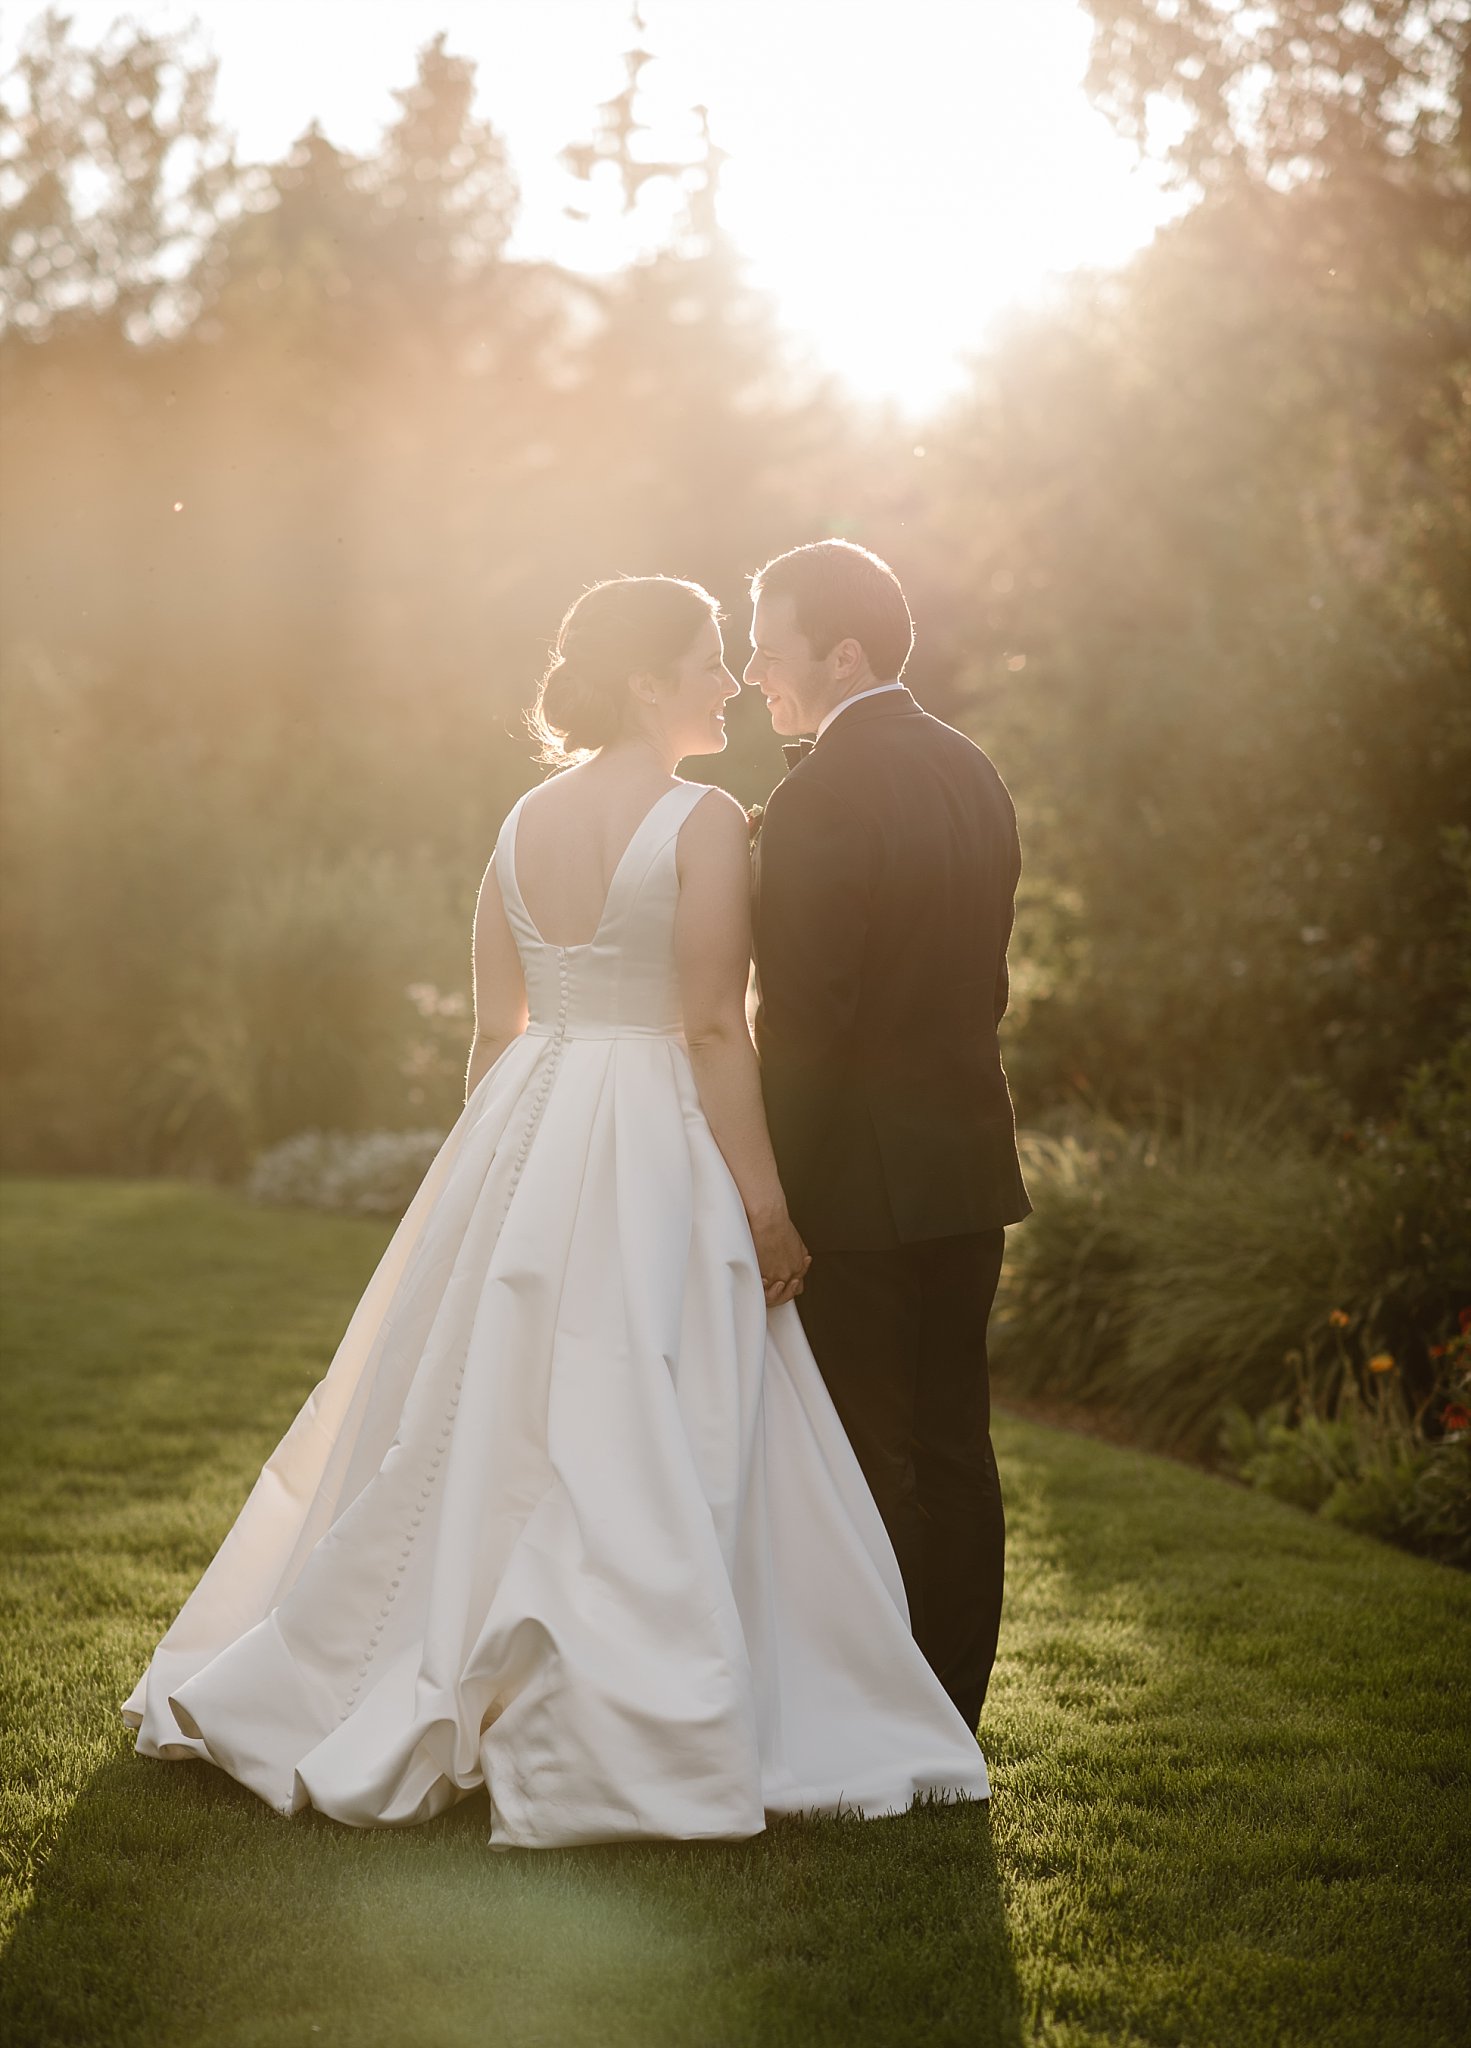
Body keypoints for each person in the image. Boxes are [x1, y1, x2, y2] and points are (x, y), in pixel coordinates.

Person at [122, 574, 986, 1848]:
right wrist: (764, 1205)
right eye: (707, 658)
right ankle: (630, 1691)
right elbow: (711, 1027)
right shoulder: (702, 820)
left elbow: (494, 1030)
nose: (729, 681)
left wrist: (495, 1175)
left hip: (528, 1114)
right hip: (650, 1124)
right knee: (645, 1396)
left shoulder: (522, 816)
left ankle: (414, 1648)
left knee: (484, 1405)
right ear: (644, 681)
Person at [745, 540, 1029, 1734]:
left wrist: (770, 1193)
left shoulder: (820, 794)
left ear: (844, 654)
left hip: (856, 1182)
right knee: (955, 1442)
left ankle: (882, 1717)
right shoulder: (974, 769)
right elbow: (983, 982)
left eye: (770, 645)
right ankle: (951, 1707)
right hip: (965, 1165)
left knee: (864, 1451)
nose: (753, 669)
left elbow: (805, 1024)